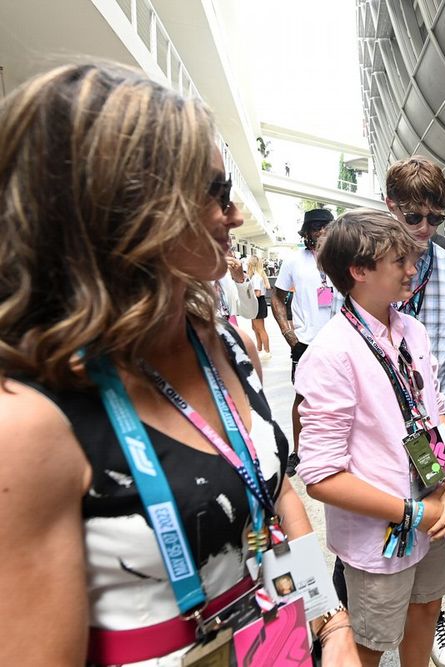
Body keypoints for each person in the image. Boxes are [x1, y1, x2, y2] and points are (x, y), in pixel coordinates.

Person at [0, 63, 356, 666]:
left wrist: (331, 622)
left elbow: (276, 493)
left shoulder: (225, 343)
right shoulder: (29, 421)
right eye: (218, 192)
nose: (235, 214)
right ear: (129, 207)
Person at [296, 209, 445, 667]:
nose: (412, 270)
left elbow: (432, 413)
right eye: (399, 261)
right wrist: (414, 512)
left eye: (412, 259)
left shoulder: (412, 331)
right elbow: (320, 476)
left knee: (427, 606)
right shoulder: (331, 353)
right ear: (359, 270)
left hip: (433, 509)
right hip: (380, 532)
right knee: (371, 640)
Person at [383, 155, 445, 667]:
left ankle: (432, 617)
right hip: (377, 431)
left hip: (433, 431)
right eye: (413, 217)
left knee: (437, 530)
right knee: (379, 534)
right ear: (390, 206)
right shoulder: (367, 267)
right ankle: (369, 619)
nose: (425, 229)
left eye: (435, 218)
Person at [271, 207, 339, 474]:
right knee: (302, 397)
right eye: (316, 227)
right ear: (307, 232)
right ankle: (298, 452)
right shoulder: (294, 260)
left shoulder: (342, 256)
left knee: (340, 397)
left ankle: (334, 449)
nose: (321, 232)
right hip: (306, 342)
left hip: (340, 341)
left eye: (326, 227)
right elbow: (277, 297)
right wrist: (289, 335)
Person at [247, 254, 272, 359]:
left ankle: (266, 351)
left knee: (260, 328)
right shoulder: (258, 275)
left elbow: (257, 293)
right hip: (258, 302)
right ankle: (260, 349)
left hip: (257, 302)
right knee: (255, 328)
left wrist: (247, 294)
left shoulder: (256, 277)